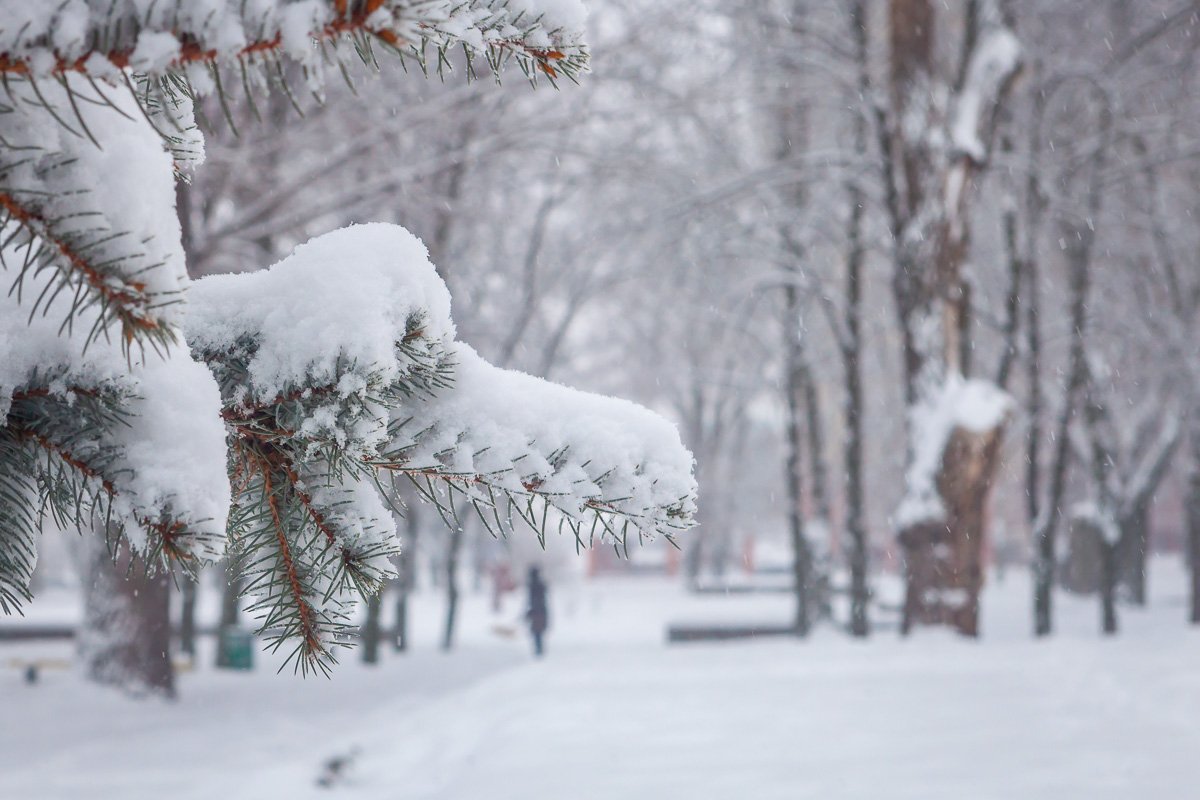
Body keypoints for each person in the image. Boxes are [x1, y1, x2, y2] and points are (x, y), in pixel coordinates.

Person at [525, 566, 549, 657]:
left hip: (536, 612)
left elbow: (531, 600)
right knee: (538, 632)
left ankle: (538, 649)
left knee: (536, 632)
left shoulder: (533, 585)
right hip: (541, 611)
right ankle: (539, 648)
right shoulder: (541, 585)